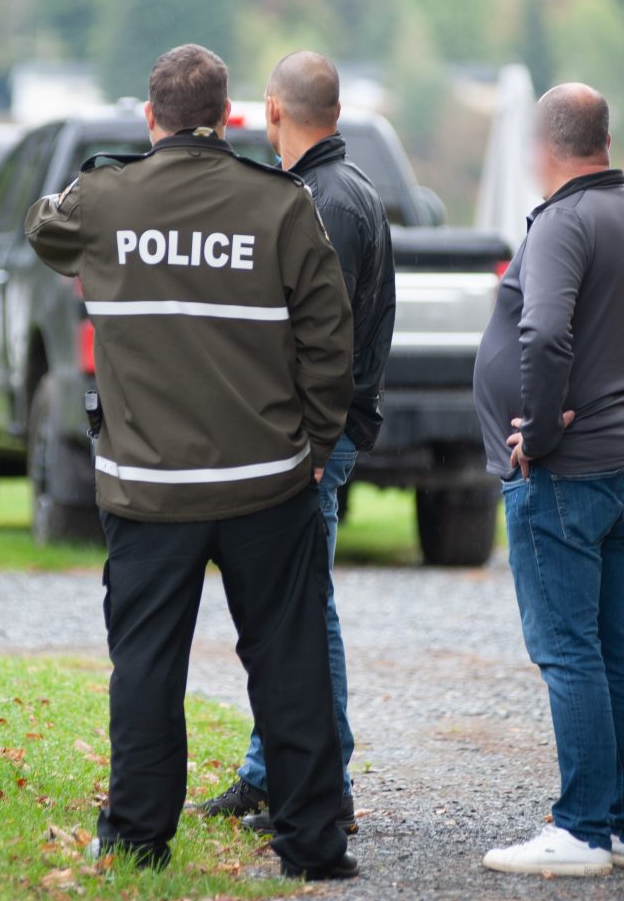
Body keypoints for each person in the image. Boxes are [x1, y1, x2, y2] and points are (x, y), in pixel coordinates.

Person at [24, 43, 361, 881]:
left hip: (148, 489)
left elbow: (42, 225)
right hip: (267, 484)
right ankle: (314, 844)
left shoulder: (103, 199)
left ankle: (139, 837)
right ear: (231, 117)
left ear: (151, 119)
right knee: (288, 666)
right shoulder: (282, 205)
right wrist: (317, 445)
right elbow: (331, 339)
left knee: (146, 667)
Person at [473, 83, 624, 877]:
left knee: (570, 648)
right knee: (616, 642)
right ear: (604, 139)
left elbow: (543, 330)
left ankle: (580, 831)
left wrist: (537, 432)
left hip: (565, 473)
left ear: (543, 146)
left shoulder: (562, 223)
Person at [196, 51, 396, 838]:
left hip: (314, 437)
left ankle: (324, 783)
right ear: (335, 113)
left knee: (306, 613)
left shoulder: (329, 203)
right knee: (287, 610)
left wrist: (312, 441)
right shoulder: (329, 191)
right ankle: (267, 768)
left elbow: (327, 341)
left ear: (272, 112)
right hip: (309, 433)